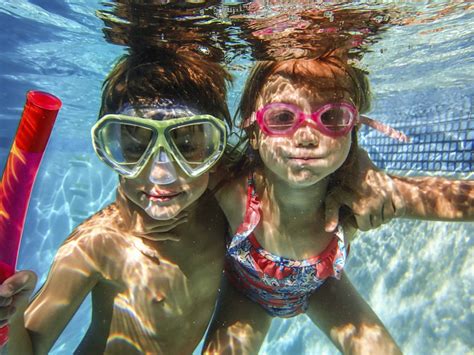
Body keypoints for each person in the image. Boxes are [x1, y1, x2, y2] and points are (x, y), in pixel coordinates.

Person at [202, 53, 473, 354]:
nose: (305, 136)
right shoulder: (234, 188)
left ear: (353, 126)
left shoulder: (356, 197)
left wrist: (372, 175)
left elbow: (451, 199)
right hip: (244, 294)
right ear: (254, 132)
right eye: (281, 117)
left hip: (322, 291)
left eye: (331, 117)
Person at [0, 47, 233, 354]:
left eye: (187, 146)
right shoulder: (98, 244)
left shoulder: (225, 206)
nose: (161, 174)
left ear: (215, 151)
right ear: (113, 152)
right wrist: (10, 319)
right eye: (136, 150)